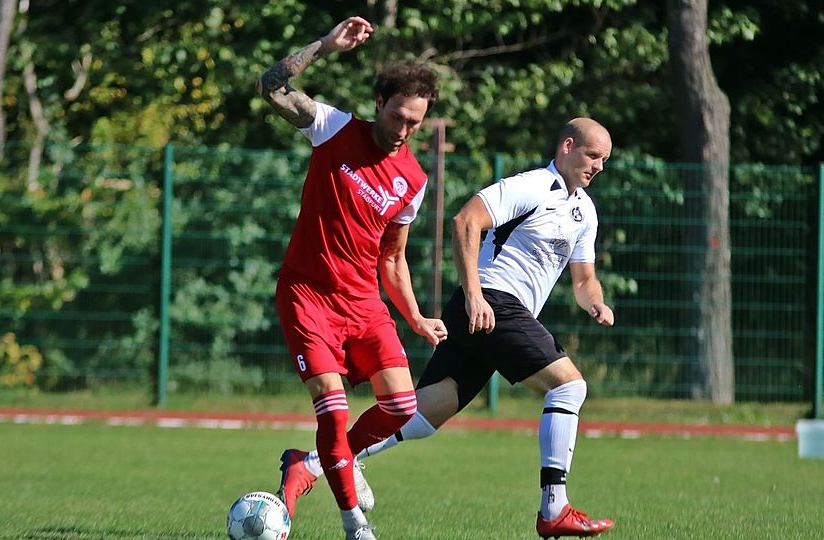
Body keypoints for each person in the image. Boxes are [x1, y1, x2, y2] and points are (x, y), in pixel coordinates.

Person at [280, 118, 618, 538]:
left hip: (493, 312)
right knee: (569, 387)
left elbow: (584, 280)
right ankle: (554, 507)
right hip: (493, 302)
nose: (598, 166)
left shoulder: (584, 210)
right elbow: (465, 221)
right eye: (592, 155)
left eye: (604, 160)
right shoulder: (530, 186)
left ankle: (309, 463)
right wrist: (475, 294)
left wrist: (596, 302)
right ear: (567, 146)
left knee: (428, 410)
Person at [256, 16, 447, 540]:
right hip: (308, 295)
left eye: (416, 123)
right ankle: (352, 523)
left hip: (363, 304)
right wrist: (324, 45)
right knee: (334, 414)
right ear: (379, 101)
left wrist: (415, 318)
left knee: (401, 406)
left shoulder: (414, 180)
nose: (405, 130)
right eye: (399, 117)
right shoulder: (333, 127)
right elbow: (270, 86)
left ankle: (310, 461)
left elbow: (393, 260)